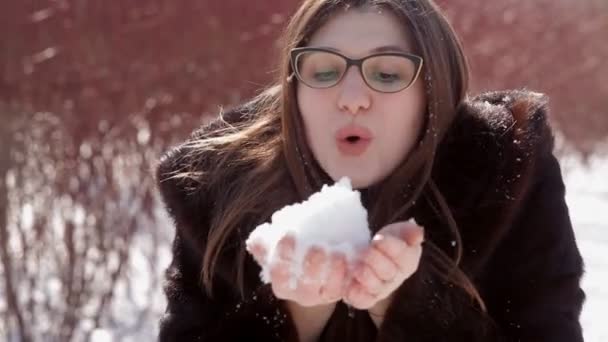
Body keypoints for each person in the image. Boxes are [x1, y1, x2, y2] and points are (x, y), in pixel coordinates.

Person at [155, 0, 585, 341]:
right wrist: (296, 317)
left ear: (433, 94)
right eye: (324, 70)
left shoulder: (506, 177)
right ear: (293, 92)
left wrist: (407, 306)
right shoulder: (219, 191)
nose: (352, 98)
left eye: (387, 72)